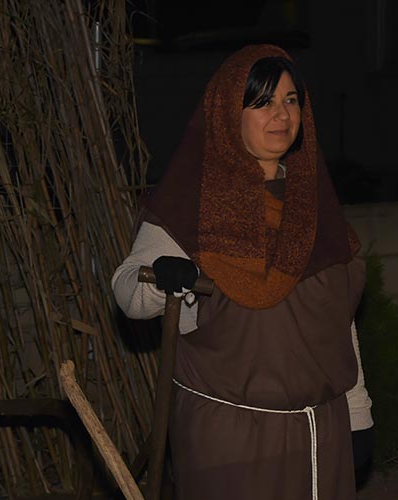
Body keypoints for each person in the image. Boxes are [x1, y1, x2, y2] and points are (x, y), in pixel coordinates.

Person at [112, 43, 373, 500]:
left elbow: (337, 321)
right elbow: (129, 290)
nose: (281, 114)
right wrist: (164, 277)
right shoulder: (193, 204)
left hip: (320, 437)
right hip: (231, 441)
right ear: (229, 113)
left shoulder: (314, 206)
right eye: (263, 102)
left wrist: (357, 412)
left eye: (291, 100)